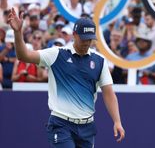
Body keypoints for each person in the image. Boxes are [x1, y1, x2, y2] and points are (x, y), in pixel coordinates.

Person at [7, 8, 125, 147]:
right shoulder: (57, 53)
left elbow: (109, 93)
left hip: (87, 127)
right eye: (84, 38)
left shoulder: (100, 61)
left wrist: (117, 121)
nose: (87, 43)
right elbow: (24, 56)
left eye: (90, 39)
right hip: (61, 124)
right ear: (74, 35)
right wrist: (17, 33)